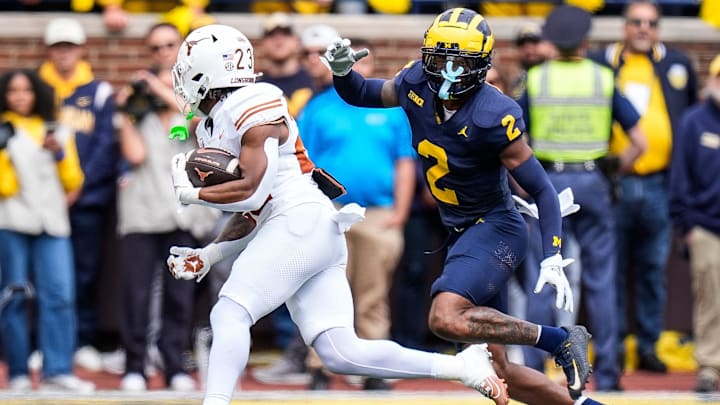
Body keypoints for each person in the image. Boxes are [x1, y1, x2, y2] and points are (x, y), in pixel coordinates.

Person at [166, 24, 512, 405]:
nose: (181, 78)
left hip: (299, 222)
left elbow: (252, 191)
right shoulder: (217, 123)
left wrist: (193, 193)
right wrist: (211, 253)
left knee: (230, 310)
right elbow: (255, 211)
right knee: (341, 352)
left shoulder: (253, 104)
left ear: (208, 70)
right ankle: (464, 367)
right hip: (304, 226)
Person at [324, 8, 606, 404]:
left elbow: (542, 190)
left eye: (459, 62)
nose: (446, 71)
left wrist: (552, 255)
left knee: (444, 318)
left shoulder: (494, 115)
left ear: (482, 66)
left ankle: (559, 339)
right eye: (439, 58)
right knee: (500, 370)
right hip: (462, 231)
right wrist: (342, 73)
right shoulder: (414, 82)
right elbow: (363, 93)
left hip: (494, 226)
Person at [517, 5, 647, 391]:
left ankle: (534, 372)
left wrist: (525, 182)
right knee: (601, 279)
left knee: (542, 276)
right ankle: (607, 374)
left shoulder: (536, 79)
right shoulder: (604, 78)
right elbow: (641, 142)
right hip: (593, 181)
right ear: (587, 41)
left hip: (548, 183)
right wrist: (614, 169)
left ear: (551, 42)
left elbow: (514, 139)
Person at [297, 33, 417, 391]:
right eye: (352, 60)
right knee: (323, 292)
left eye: (364, 60)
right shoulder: (318, 108)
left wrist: (400, 211)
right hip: (329, 212)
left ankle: (374, 371)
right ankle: (319, 367)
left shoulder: (392, 110)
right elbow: (302, 161)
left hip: (379, 213)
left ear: (373, 64)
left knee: (373, 296)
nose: (359, 66)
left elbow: (405, 163)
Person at [588, 0, 699, 373]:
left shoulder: (677, 63)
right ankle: (615, 344)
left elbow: (689, 119)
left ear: (658, 29)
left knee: (653, 268)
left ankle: (649, 345)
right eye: (635, 22)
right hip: (614, 182)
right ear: (624, 26)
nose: (642, 29)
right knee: (612, 267)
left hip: (659, 182)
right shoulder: (603, 63)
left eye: (650, 23)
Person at [114, 22, 219, 392]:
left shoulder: (199, 92)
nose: (161, 52)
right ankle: (135, 367)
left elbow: (192, 124)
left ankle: (175, 366)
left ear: (181, 49)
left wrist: (158, 87)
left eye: (168, 45)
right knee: (136, 295)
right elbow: (135, 154)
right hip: (142, 210)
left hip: (184, 208)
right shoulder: (137, 101)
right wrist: (126, 111)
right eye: (154, 47)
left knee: (181, 294)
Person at [0, 69, 94, 393]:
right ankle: (18, 372)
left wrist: (58, 152)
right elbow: (5, 187)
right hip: (12, 222)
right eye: (13, 91)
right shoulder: (3, 129)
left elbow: (73, 182)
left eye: (26, 90)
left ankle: (57, 370)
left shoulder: (57, 129)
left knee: (60, 295)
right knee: (13, 297)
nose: (20, 97)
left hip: (53, 224)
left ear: (37, 93)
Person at [38, 17, 118, 372]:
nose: (63, 54)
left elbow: (105, 144)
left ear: (81, 50)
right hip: (43, 199)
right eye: (58, 47)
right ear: (49, 51)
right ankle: (48, 343)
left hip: (86, 201)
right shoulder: (37, 89)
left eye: (69, 47)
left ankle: (83, 340)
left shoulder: (99, 90)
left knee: (84, 273)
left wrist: (80, 185)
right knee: (44, 275)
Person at [250, 12, 315, 386]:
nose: (277, 39)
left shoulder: (311, 84)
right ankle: (256, 347)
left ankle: (297, 353)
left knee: (297, 273)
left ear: (295, 41)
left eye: (284, 33)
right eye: (270, 33)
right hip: (256, 189)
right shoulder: (253, 85)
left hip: (295, 186)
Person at [669, 54, 720, 393]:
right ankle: (710, 367)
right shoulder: (694, 121)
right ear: (712, 81)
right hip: (705, 226)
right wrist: (686, 224)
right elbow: (680, 177)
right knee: (711, 299)